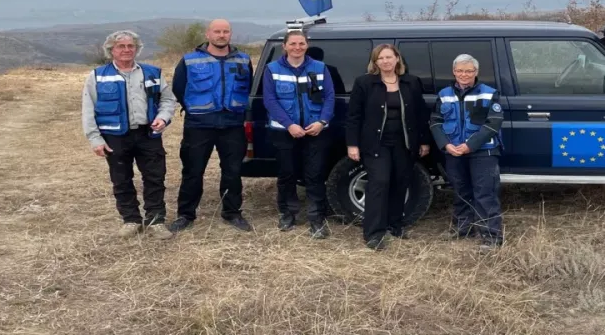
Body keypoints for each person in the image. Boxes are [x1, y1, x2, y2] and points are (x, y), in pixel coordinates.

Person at [82, 30, 176, 240]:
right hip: (115, 136)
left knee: (155, 178)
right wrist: (95, 139)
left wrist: (163, 118)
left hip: (148, 134)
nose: (126, 50)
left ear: (137, 49)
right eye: (121, 46)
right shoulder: (97, 76)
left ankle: (156, 221)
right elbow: (88, 109)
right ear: (111, 50)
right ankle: (131, 220)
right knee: (121, 179)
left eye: (130, 46)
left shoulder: (153, 73)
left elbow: (168, 100)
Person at [167, 19, 254, 233]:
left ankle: (232, 212)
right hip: (199, 125)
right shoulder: (190, 60)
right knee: (193, 171)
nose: (221, 35)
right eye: (217, 31)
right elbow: (179, 88)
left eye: (225, 31)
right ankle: (186, 215)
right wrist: (196, 108)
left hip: (232, 123)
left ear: (230, 34)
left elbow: (249, 87)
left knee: (232, 171)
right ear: (208, 34)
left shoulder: (243, 60)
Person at [346, 44, 430, 251]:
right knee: (379, 182)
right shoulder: (364, 83)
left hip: (405, 142)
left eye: (389, 57)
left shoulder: (411, 82)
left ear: (397, 59)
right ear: (375, 62)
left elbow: (421, 115)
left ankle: (395, 225)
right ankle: (374, 233)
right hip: (376, 143)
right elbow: (354, 116)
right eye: (380, 58)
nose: (385, 61)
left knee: (400, 182)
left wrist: (424, 140)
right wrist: (352, 144)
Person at [263, 29, 335, 238]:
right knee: (287, 174)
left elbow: (329, 96)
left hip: (316, 131)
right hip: (284, 131)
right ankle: (288, 214)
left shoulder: (319, 68)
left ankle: (316, 218)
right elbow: (270, 100)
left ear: (307, 45)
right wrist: (289, 125)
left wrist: (322, 122)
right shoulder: (272, 69)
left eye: (301, 43)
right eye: (293, 44)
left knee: (315, 175)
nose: (297, 47)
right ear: (284, 46)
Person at [429, 53, 505, 249]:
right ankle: (462, 229)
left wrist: (471, 145)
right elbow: (435, 122)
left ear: (476, 72)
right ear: (454, 72)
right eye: (460, 71)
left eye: (469, 71)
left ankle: (491, 237)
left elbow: (493, 123)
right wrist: (445, 145)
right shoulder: (444, 94)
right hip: (453, 151)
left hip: (483, 151)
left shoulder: (489, 93)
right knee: (461, 191)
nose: (464, 74)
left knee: (485, 193)